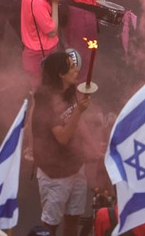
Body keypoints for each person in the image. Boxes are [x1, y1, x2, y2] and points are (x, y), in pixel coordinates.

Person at [33, 49, 91, 236]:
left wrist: (92, 146)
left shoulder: (69, 90)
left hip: (76, 166)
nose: (77, 70)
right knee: (50, 225)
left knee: (74, 217)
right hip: (56, 174)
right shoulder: (45, 101)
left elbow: (79, 124)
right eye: (72, 67)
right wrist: (78, 111)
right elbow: (63, 138)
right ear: (60, 73)